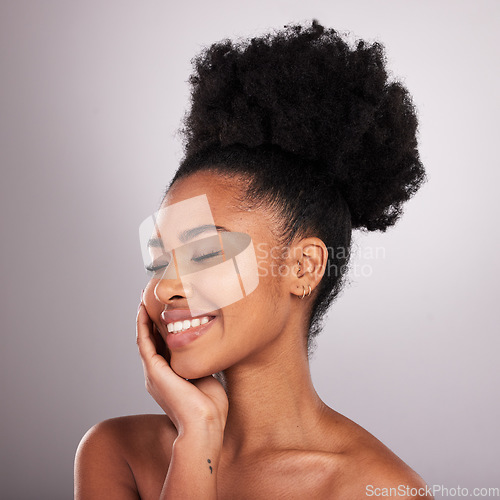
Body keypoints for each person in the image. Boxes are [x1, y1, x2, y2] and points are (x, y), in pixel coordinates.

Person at [74, 19, 433, 499]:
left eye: (205, 252)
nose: (165, 287)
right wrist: (196, 437)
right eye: (159, 261)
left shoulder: (378, 490)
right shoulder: (116, 451)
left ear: (303, 267)